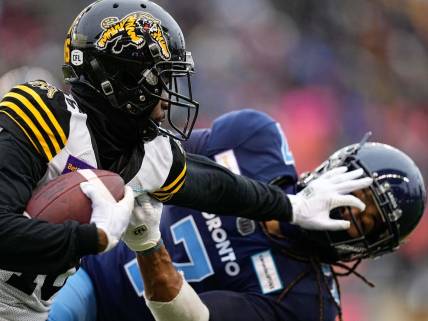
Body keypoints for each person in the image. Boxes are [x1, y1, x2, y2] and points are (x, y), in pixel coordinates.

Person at [0, 1, 371, 321]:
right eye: (159, 79)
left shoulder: (145, 152)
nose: (167, 96)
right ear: (120, 79)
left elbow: (215, 186)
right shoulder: (42, 112)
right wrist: (93, 237)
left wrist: (290, 205)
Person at [49, 109, 425, 321]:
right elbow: (150, 156)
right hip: (89, 270)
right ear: (335, 166)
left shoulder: (308, 304)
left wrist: (148, 242)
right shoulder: (256, 141)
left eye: (368, 223)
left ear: (371, 248)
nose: (350, 212)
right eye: (355, 194)